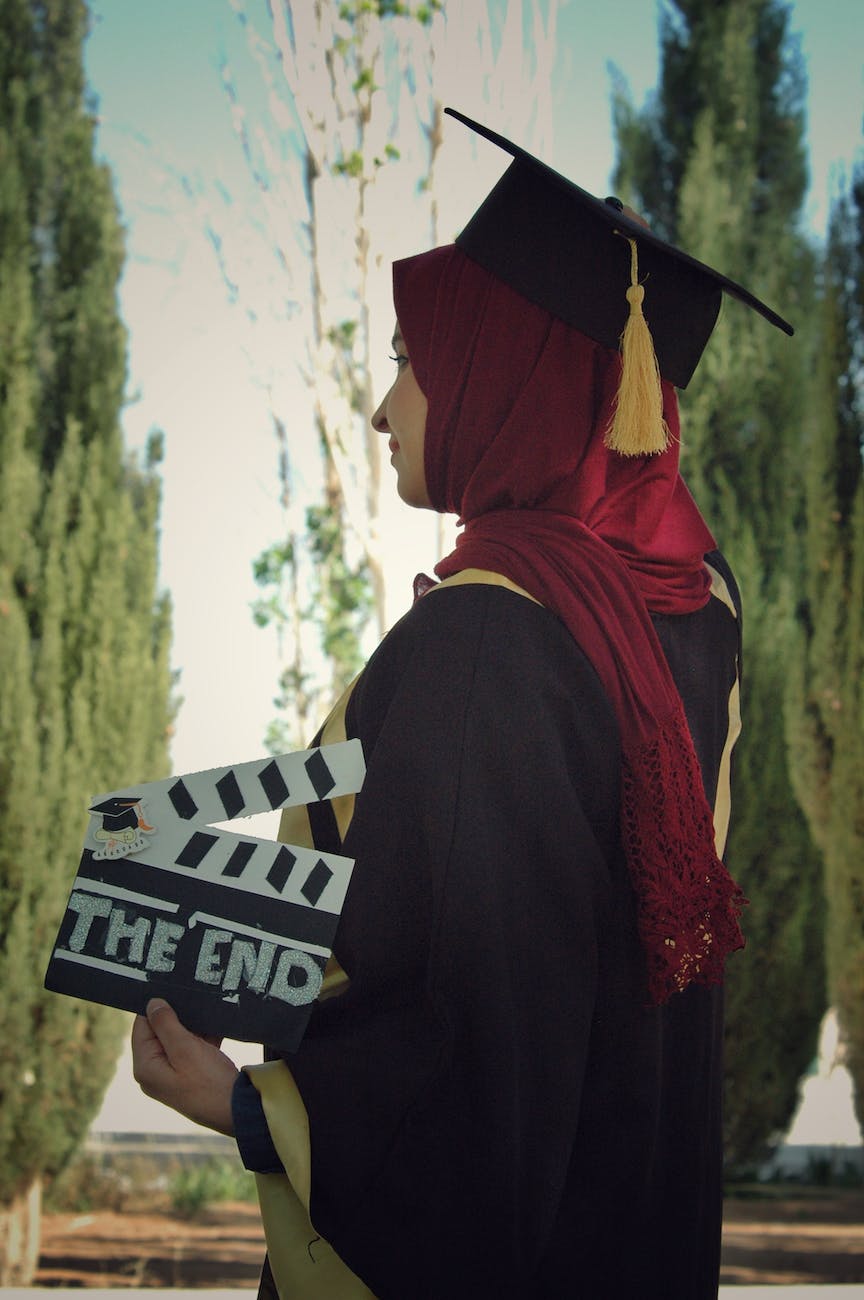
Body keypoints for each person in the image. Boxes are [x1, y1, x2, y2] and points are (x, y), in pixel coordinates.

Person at [132, 110, 792, 1299]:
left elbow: (458, 1039)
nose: (386, 408)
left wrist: (240, 1102)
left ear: (503, 368)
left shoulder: (485, 638)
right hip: (631, 1224)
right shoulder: (699, 615)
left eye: (408, 357)